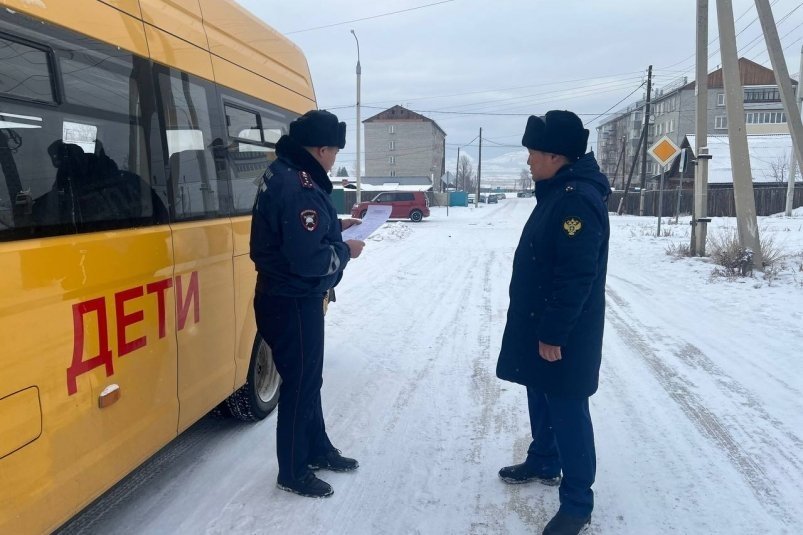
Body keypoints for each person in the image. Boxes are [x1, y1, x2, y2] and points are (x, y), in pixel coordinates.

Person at [496, 110, 610, 535]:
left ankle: (578, 504)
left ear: (555, 156)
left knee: (567, 408)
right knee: (541, 392)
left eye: (532, 153)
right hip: (542, 322)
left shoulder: (575, 199)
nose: (528, 161)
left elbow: (576, 275)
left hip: (562, 332)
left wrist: (553, 333)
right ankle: (544, 460)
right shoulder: (559, 190)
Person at [250, 110, 365, 498]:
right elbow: (309, 258)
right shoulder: (298, 185)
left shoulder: (288, 172)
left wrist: (339, 226)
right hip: (293, 300)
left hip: (285, 297)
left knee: (308, 379)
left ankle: (317, 449)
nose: (334, 159)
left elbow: (302, 230)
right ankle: (294, 471)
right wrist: (346, 251)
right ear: (320, 149)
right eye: (334, 152)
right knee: (300, 385)